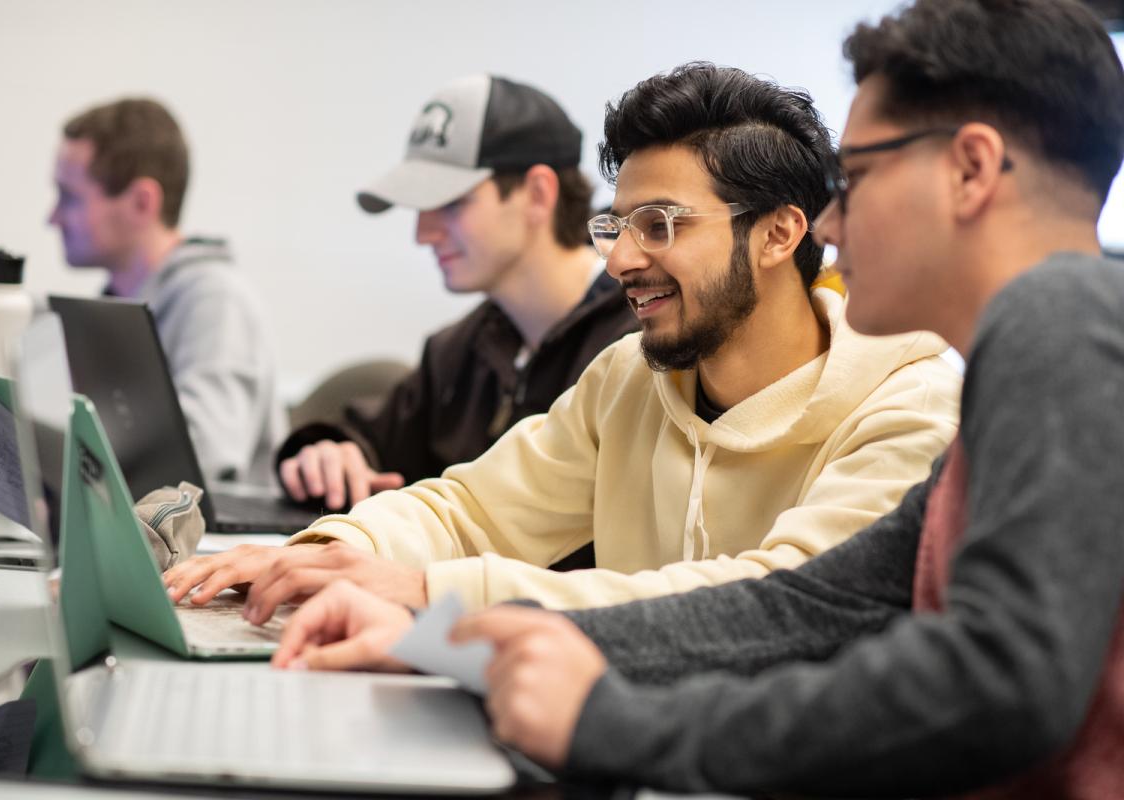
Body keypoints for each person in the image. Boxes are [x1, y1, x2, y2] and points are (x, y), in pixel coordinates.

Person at [270, 1, 1124, 795]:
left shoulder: (1057, 315)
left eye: (856, 178)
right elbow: (805, 606)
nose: (831, 224)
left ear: (972, 169)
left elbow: (1004, 680)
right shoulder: (1034, 366)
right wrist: (454, 646)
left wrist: (617, 724)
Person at [165, 65, 962, 614]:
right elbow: (470, 510)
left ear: (781, 232)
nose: (617, 259)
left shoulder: (907, 402)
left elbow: (767, 602)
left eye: (660, 226)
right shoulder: (630, 379)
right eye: (618, 225)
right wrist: (319, 551)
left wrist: (431, 594)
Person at [275, 74, 638, 526]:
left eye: (449, 203)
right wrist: (330, 452)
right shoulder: (457, 350)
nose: (422, 233)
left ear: (538, 194)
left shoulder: (641, 343)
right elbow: (372, 441)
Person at [49, 98, 284, 485]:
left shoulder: (216, 299)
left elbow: (203, 455)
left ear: (142, 202)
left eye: (69, 196)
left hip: (211, 540)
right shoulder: (115, 302)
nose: (53, 218)